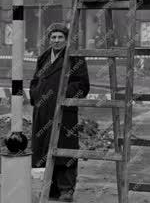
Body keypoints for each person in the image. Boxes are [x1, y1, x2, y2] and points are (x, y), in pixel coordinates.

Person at [29, 23, 89, 202]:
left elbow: (82, 85)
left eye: (60, 37)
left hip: (64, 111)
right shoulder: (44, 57)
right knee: (45, 149)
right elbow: (35, 80)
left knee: (65, 149)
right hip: (43, 111)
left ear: (66, 39)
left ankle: (66, 189)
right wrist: (36, 94)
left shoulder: (75, 58)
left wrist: (61, 95)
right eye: (53, 37)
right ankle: (51, 188)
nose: (56, 41)